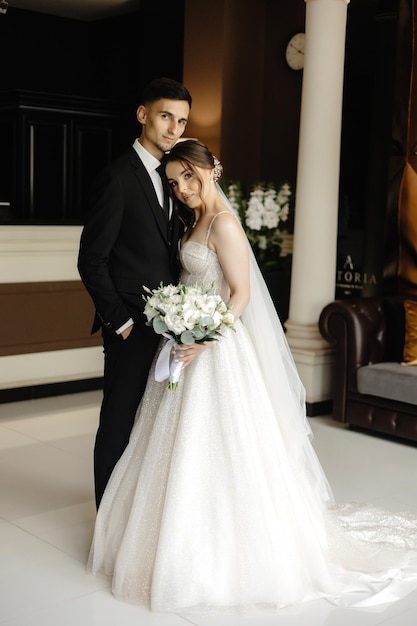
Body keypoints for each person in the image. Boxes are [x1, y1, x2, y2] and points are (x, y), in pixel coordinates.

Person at [87, 140, 417, 613]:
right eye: (174, 181)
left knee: (223, 446)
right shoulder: (192, 220)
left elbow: (240, 294)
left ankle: (226, 552)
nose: (181, 188)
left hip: (217, 350)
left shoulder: (224, 224)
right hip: (184, 344)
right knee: (170, 445)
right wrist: (181, 324)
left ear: (210, 170)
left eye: (188, 177)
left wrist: (206, 336)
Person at [77, 77, 192, 508]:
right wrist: (120, 322)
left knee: (151, 423)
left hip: (169, 325)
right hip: (129, 327)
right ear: (143, 114)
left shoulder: (175, 177)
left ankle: (134, 514)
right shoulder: (117, 177)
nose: (173, 129)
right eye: (165, 116)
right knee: (118, 422)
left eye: (181, 121)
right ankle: (105, 520)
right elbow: (92, 260)